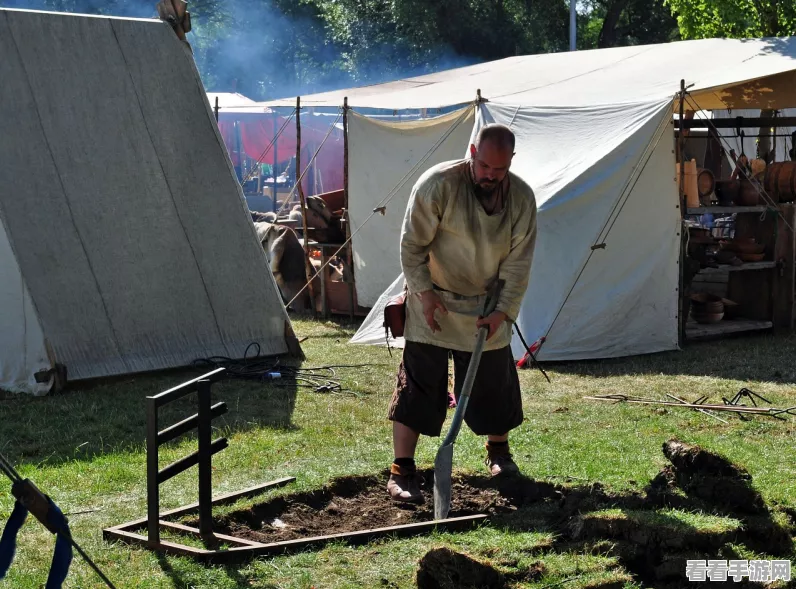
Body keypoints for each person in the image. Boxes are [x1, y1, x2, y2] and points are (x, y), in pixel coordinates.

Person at [386, 123, 538, 503]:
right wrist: (423, 293)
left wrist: (503, 311)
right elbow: (412, 246)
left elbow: (519, 264)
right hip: (431, 299)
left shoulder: (521, 198)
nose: (490, 175)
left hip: (486, 307)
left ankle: (499, 453)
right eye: (484, 166)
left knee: (494, 384)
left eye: (499, 170)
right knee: (419, 383)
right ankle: (402, 470)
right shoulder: (437, 185)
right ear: (472, 153)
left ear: (511, 163)